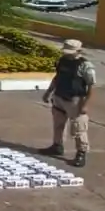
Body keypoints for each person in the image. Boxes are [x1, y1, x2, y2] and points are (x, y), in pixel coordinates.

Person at [39, 39, 95, 168]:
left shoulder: (85, 66)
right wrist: (49, 92)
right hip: (59, 97)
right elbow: (57, 77)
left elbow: (91, 87)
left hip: (75, 100)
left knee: (78, 128)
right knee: (58, 124)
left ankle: (81, 153)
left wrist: (85, 104)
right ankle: (57, 146)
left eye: (70, 52)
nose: (67, 54)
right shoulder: (62, 61)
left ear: (79, 51)